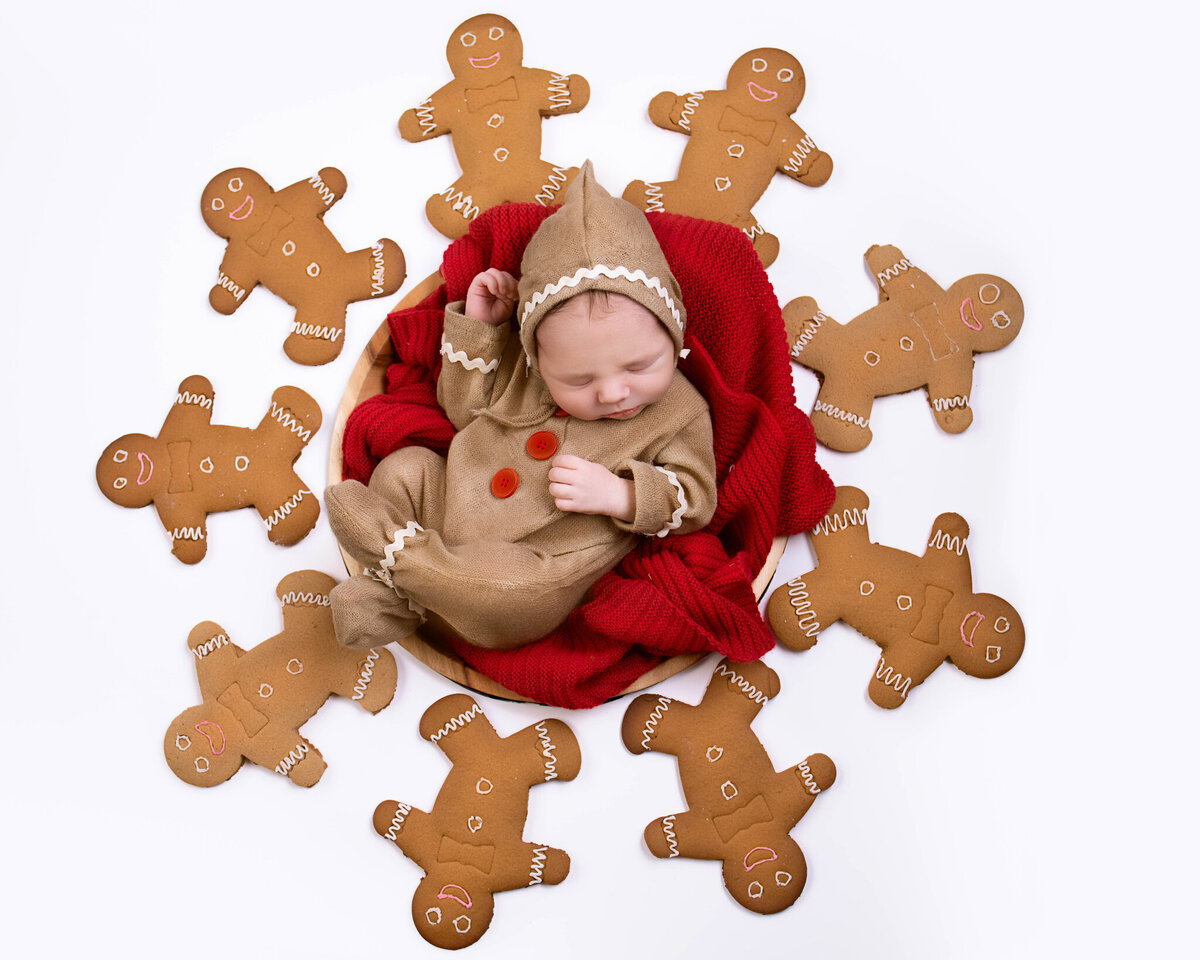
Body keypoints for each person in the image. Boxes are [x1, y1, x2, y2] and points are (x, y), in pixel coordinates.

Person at [324, 162, 717, 650]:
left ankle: (397, 562)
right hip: (448, 505)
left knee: (515, 597)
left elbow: (697, 498)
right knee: (407, 469)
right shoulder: (527, 369)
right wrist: (481, 328)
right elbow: (461, 411)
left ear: (672, 332)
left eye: (640, 367)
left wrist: (622, 496)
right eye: (578, 379)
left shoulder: (680, 409)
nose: (614, 392)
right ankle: (404, 595)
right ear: (539, 356)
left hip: (536, 562)